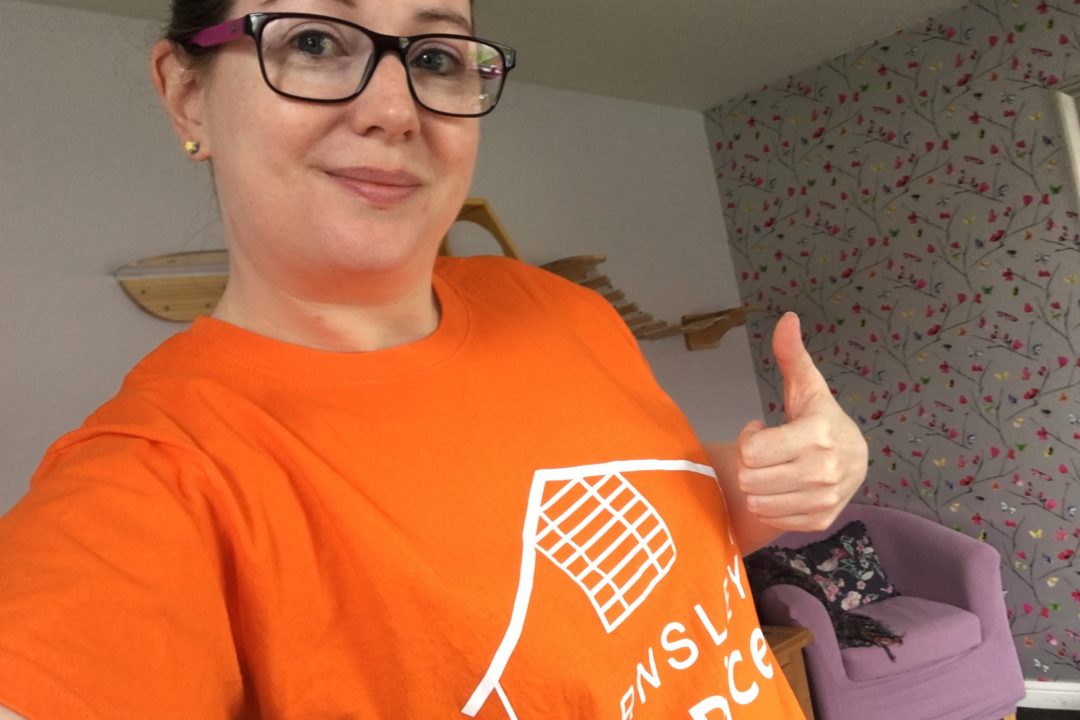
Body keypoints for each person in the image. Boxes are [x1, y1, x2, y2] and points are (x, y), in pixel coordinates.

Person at [0, 0, 868, 717]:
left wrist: (789, 479)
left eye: (438, 58)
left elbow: (670, 513)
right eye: (312, 41)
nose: (394, 108)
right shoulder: (152, 483)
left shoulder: (558, 307)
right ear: (187, 95)